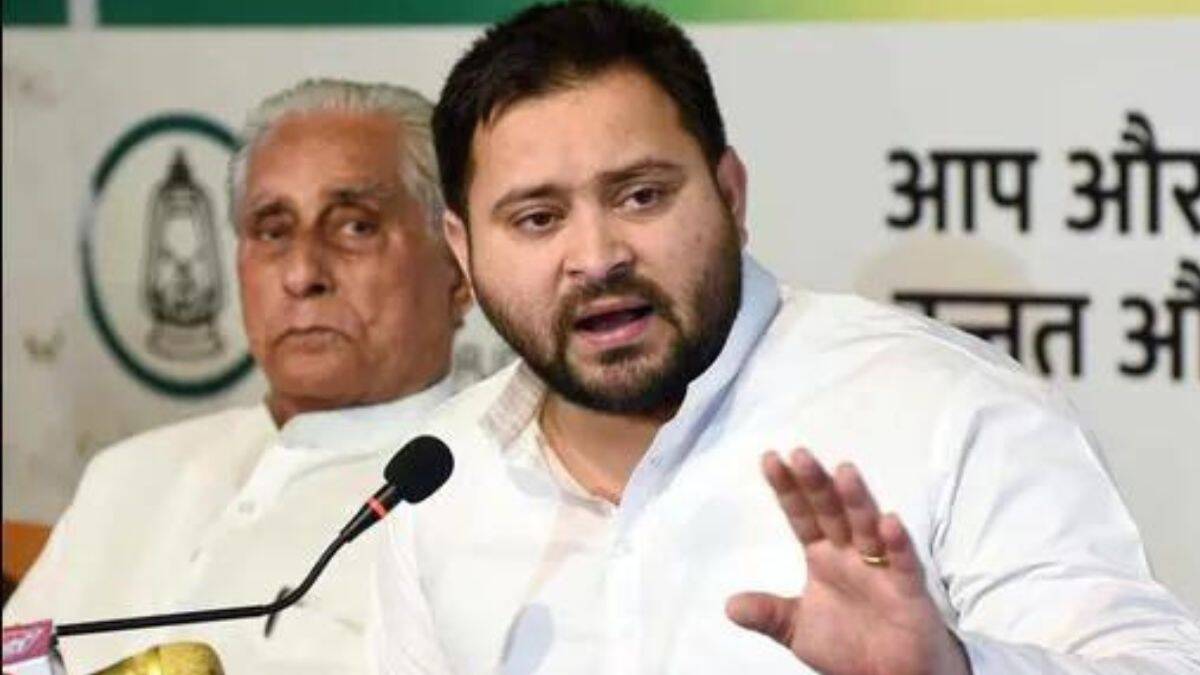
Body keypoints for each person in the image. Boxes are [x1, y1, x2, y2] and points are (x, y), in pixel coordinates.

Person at [370, 2, 1200, 674]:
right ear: (463, 250)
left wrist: (953, 669)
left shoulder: (948, 407)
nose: (596, 256)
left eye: (642, 195)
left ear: (730, 196)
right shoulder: (441, 479)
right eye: (537, 218)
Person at [4, 79, 471, 674]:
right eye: (272, 231)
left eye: (355, 226)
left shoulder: (484, 502)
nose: (301, 274)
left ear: (460, 269)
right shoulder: (126, 472)